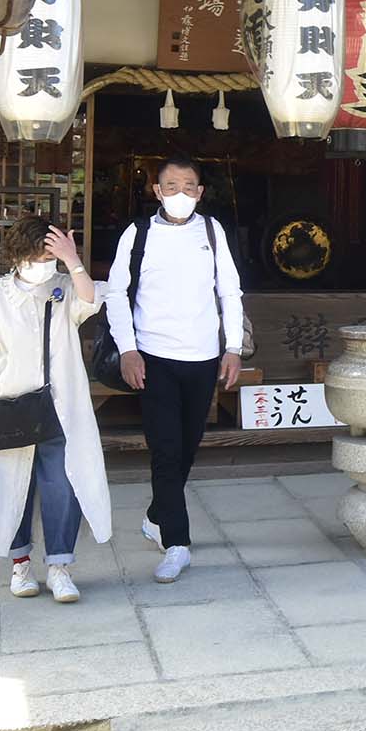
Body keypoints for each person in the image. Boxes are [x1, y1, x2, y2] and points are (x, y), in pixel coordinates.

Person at [104, 157, 245, 584]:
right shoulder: (139, 233)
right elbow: (116, 293)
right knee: (165, 450)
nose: (180, 193)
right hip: (155, 357)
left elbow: (230, 291)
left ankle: (155, 515)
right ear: (156, 190)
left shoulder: (211, 230)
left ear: (200, 193)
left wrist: (233, 347)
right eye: (171, 185)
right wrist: (129, 350)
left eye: (189, 186)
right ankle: (177, 543)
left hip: (203, 357)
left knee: (186, 447)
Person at [0, 217, 109, 603]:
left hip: (60, 406)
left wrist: (73, 261)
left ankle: (60, 567)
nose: (45, 261)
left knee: (63, 485)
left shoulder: (65, 290)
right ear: (19, 254)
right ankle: (20, 564)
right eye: (39, 253)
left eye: (50, 254)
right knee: (11, 487)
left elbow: (92, 300)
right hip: (7, 405)